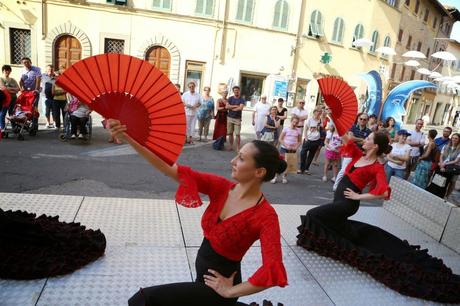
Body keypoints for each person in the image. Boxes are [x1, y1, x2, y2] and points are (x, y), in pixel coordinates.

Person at [106, 120, 288, 306]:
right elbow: (170, 169)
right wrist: (129, 139)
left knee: (144, 300)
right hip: (202, 280)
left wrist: (230, 291)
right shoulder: (221, 188)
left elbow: (272, 270)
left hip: (218, 292)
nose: (232, 161)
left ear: (259, 171)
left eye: (241, 158)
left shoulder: (265, 216)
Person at [297, 131, 460, 303]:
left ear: (375, 146)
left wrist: (358, 197)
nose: (364, 140)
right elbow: (345, 136)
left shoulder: (376, 167)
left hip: (346, 204)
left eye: (368, 139)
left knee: (313, 215)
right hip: (340, 199)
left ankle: (332, 246)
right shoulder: (357, 153)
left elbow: (383, 192)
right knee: (335, 225)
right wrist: (332, 113)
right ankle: (333, 244)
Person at [333, 113, 372, 191]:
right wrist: (362, 139)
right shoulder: (352, 127)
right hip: (350, 152)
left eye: (364, 119)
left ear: (367, 121)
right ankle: (336, 186)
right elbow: (350, 138)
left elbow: (367, 143)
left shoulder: (369, 131)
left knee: (355, 172)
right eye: (361, 119)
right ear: (358, 119)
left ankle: (349, 187)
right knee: (344, 170)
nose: (362, 121)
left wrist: (356, 139)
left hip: (360, 154)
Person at [427, 133, 460, 198]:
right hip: (441, 165)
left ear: (459, 140)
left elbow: (456, 161)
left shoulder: (459, 150)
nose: (454, 139)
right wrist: (441, 164)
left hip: (450, 167)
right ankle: (432, 192)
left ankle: (443, 195)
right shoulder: (446, 146)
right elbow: (441, 156)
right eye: (453, 138)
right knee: (436, 179)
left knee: (445, 182)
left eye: (456, 138)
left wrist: (444, 164)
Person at [272, 116, 302, 184]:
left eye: (296, 123)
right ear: (291, 121)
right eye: (294, 122)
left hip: (292, 150)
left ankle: (284, 177)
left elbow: (299, 141)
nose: (295, 124)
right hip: (284, 148)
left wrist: (296, 147)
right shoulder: (286, 129)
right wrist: (286, 145)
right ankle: (275, 177)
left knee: (289, 164)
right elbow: (280, 139)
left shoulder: (298, 130)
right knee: (280, 163)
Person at [298, 108, 322, 175]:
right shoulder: (309, 120)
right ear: (314, 112)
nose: (319, 113)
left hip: (316, 140)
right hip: (308, 139)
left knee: (311, 155)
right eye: (318, 112)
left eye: (320, 112)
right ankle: (301, 168)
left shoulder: (320, 120)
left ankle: (306, 168)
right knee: (303, 154)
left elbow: (320, 129)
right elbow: (305, 129)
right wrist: (305, 137)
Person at [226, 86, 246, 151]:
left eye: (237, 90)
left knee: (237, 134)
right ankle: (231, 146)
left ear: (239, 91)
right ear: (233, 91)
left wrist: (232, 108)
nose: (236, 91)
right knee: (230, 133)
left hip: (237, 119)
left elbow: (241, 108)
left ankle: (238, 147)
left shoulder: (242, 99)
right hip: (230, 118)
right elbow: (226, 107)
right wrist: (235, 106)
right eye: (235, 90)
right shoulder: (230, 98)